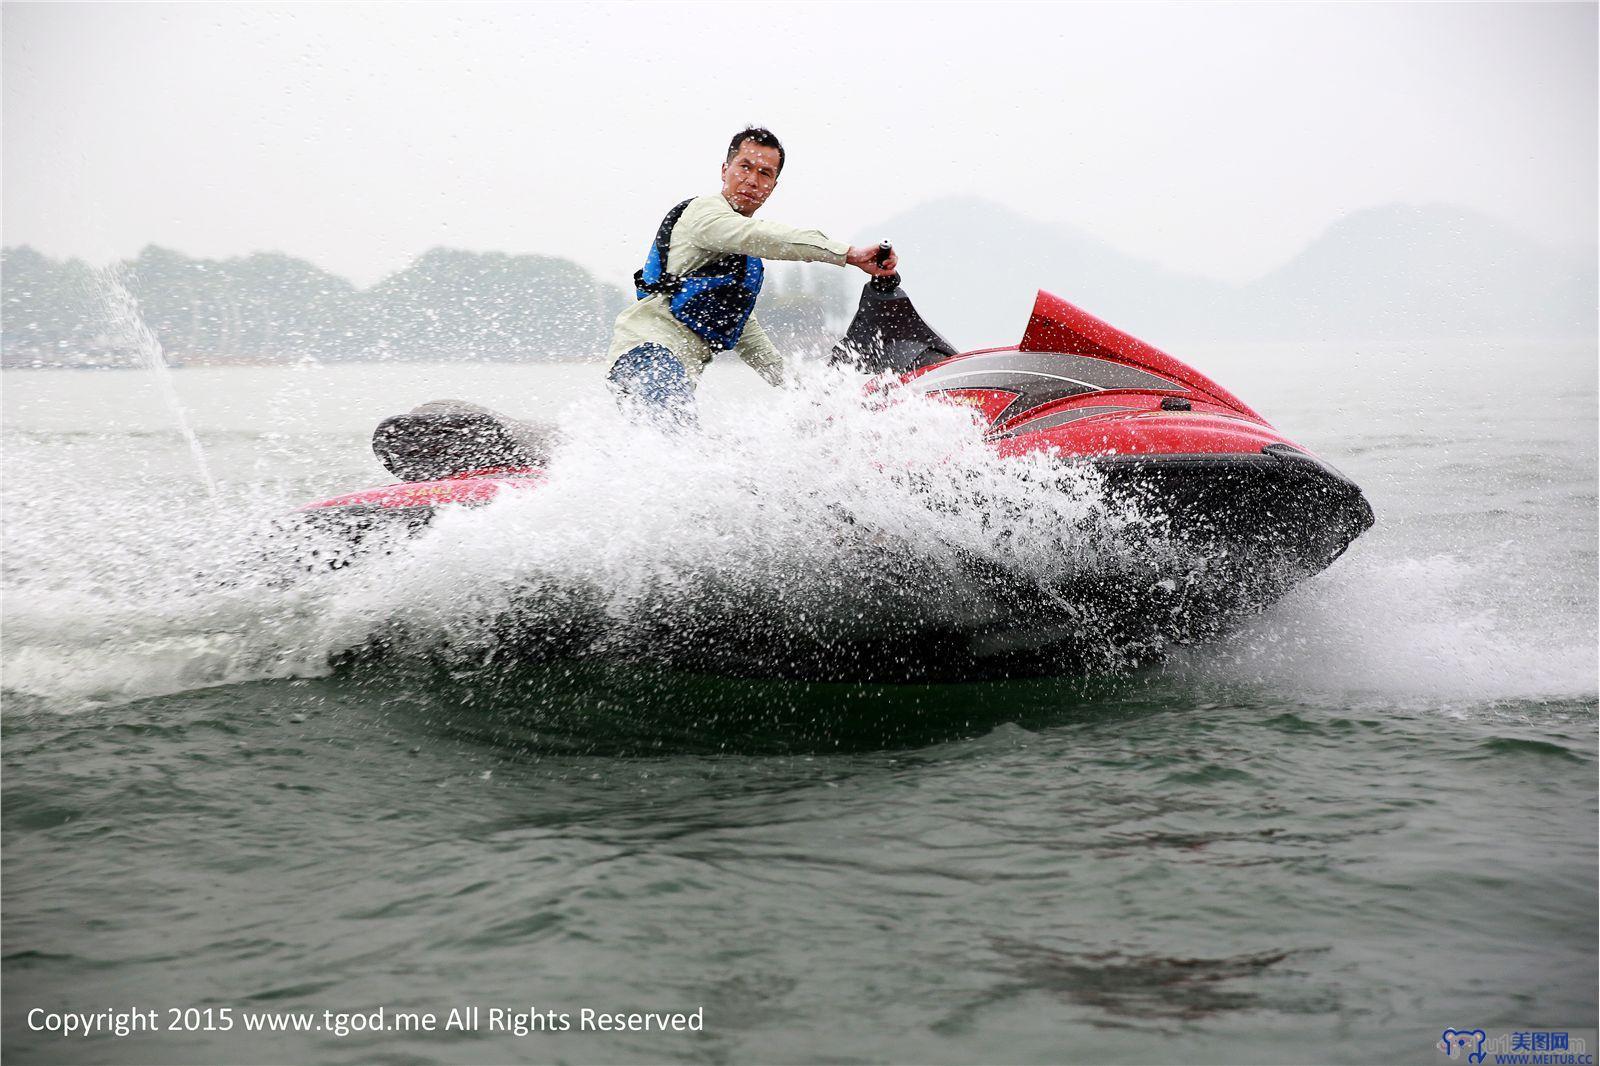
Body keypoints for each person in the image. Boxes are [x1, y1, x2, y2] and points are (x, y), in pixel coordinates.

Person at [606, 126, 899, 423]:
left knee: (674, 452)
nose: (752, 180)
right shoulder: (704, 215)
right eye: (744, 167)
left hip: (672, 369)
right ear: (725, 170)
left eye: (764, 173)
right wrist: (848, 253)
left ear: (773, 185)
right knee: (676, 446)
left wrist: (802, 389)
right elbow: (764, 236)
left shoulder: (739, 258)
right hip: (646, 355)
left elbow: (745, 332)